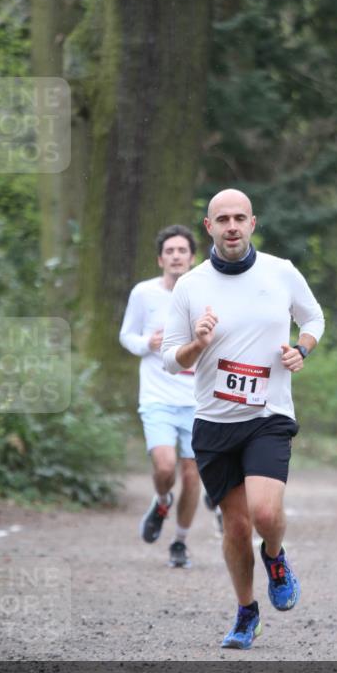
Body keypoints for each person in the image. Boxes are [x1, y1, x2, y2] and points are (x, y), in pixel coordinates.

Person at [162, 190, 324, 648]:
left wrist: (302, 349)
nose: (231, 226)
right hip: (214, 422)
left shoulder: (281, 272)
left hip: (268, 415)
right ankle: (246, 612)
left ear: (252, 223)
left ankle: (275, 556)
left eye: (239, 218)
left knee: (265, 512)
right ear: (208, 226)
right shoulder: (191, 285)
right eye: (221, 219)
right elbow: (171, 359)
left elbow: (313, 317)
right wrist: (197, 344)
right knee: (235, 527)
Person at [119, 225, 201, 569]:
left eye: (182, 250)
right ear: (160, 259)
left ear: (192, 258)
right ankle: (163, 500)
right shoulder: (144, 294)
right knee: (165, 466)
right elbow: (126, 335)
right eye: (170, 251)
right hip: (157, 397)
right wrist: (146, 344)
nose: (176, 256)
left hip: (198, 400)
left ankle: (180, 542)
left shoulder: (205, 293)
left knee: (193, 474)